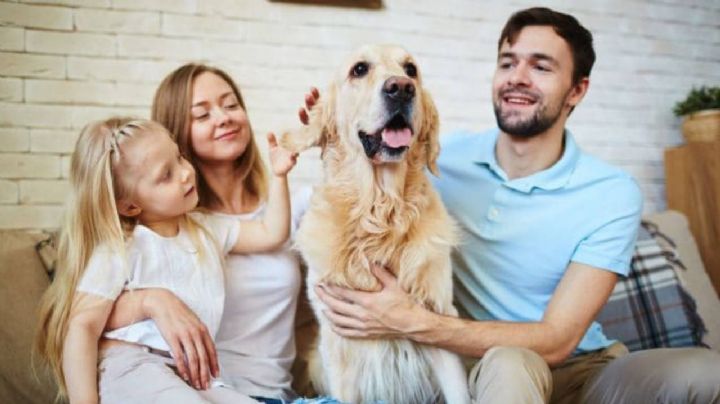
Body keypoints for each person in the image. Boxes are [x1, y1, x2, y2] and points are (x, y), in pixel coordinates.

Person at [306, 7, 720, 404]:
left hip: (587, 370)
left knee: (707, 373)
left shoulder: (612, 192)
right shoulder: (438, 161)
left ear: (577, 89)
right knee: (508, 363)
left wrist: (413, 320)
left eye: (540, 66)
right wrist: (319, 128)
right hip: (492, 371)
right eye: (507, 63)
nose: (517, 78)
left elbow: (558, 339)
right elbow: (352, 181)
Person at [35, 117, 298, 403]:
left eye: (180, 158)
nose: (185, 173)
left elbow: (271, 233)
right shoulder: (121, 249)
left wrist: (280, 176)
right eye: (166, 175)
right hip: (131, 365)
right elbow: (82, 326)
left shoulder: (206, 229)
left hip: (189, 374)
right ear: (130, 205)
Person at [104, 64, 312, 404]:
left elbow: (359, 211)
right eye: (202, 115)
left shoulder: (287, 205)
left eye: (231, 105)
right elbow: (88, 315)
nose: (224, 118)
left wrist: (328, 130)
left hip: (275, 395)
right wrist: (150, 300)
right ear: (175, 137)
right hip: (202, 392)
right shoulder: (166, 228)